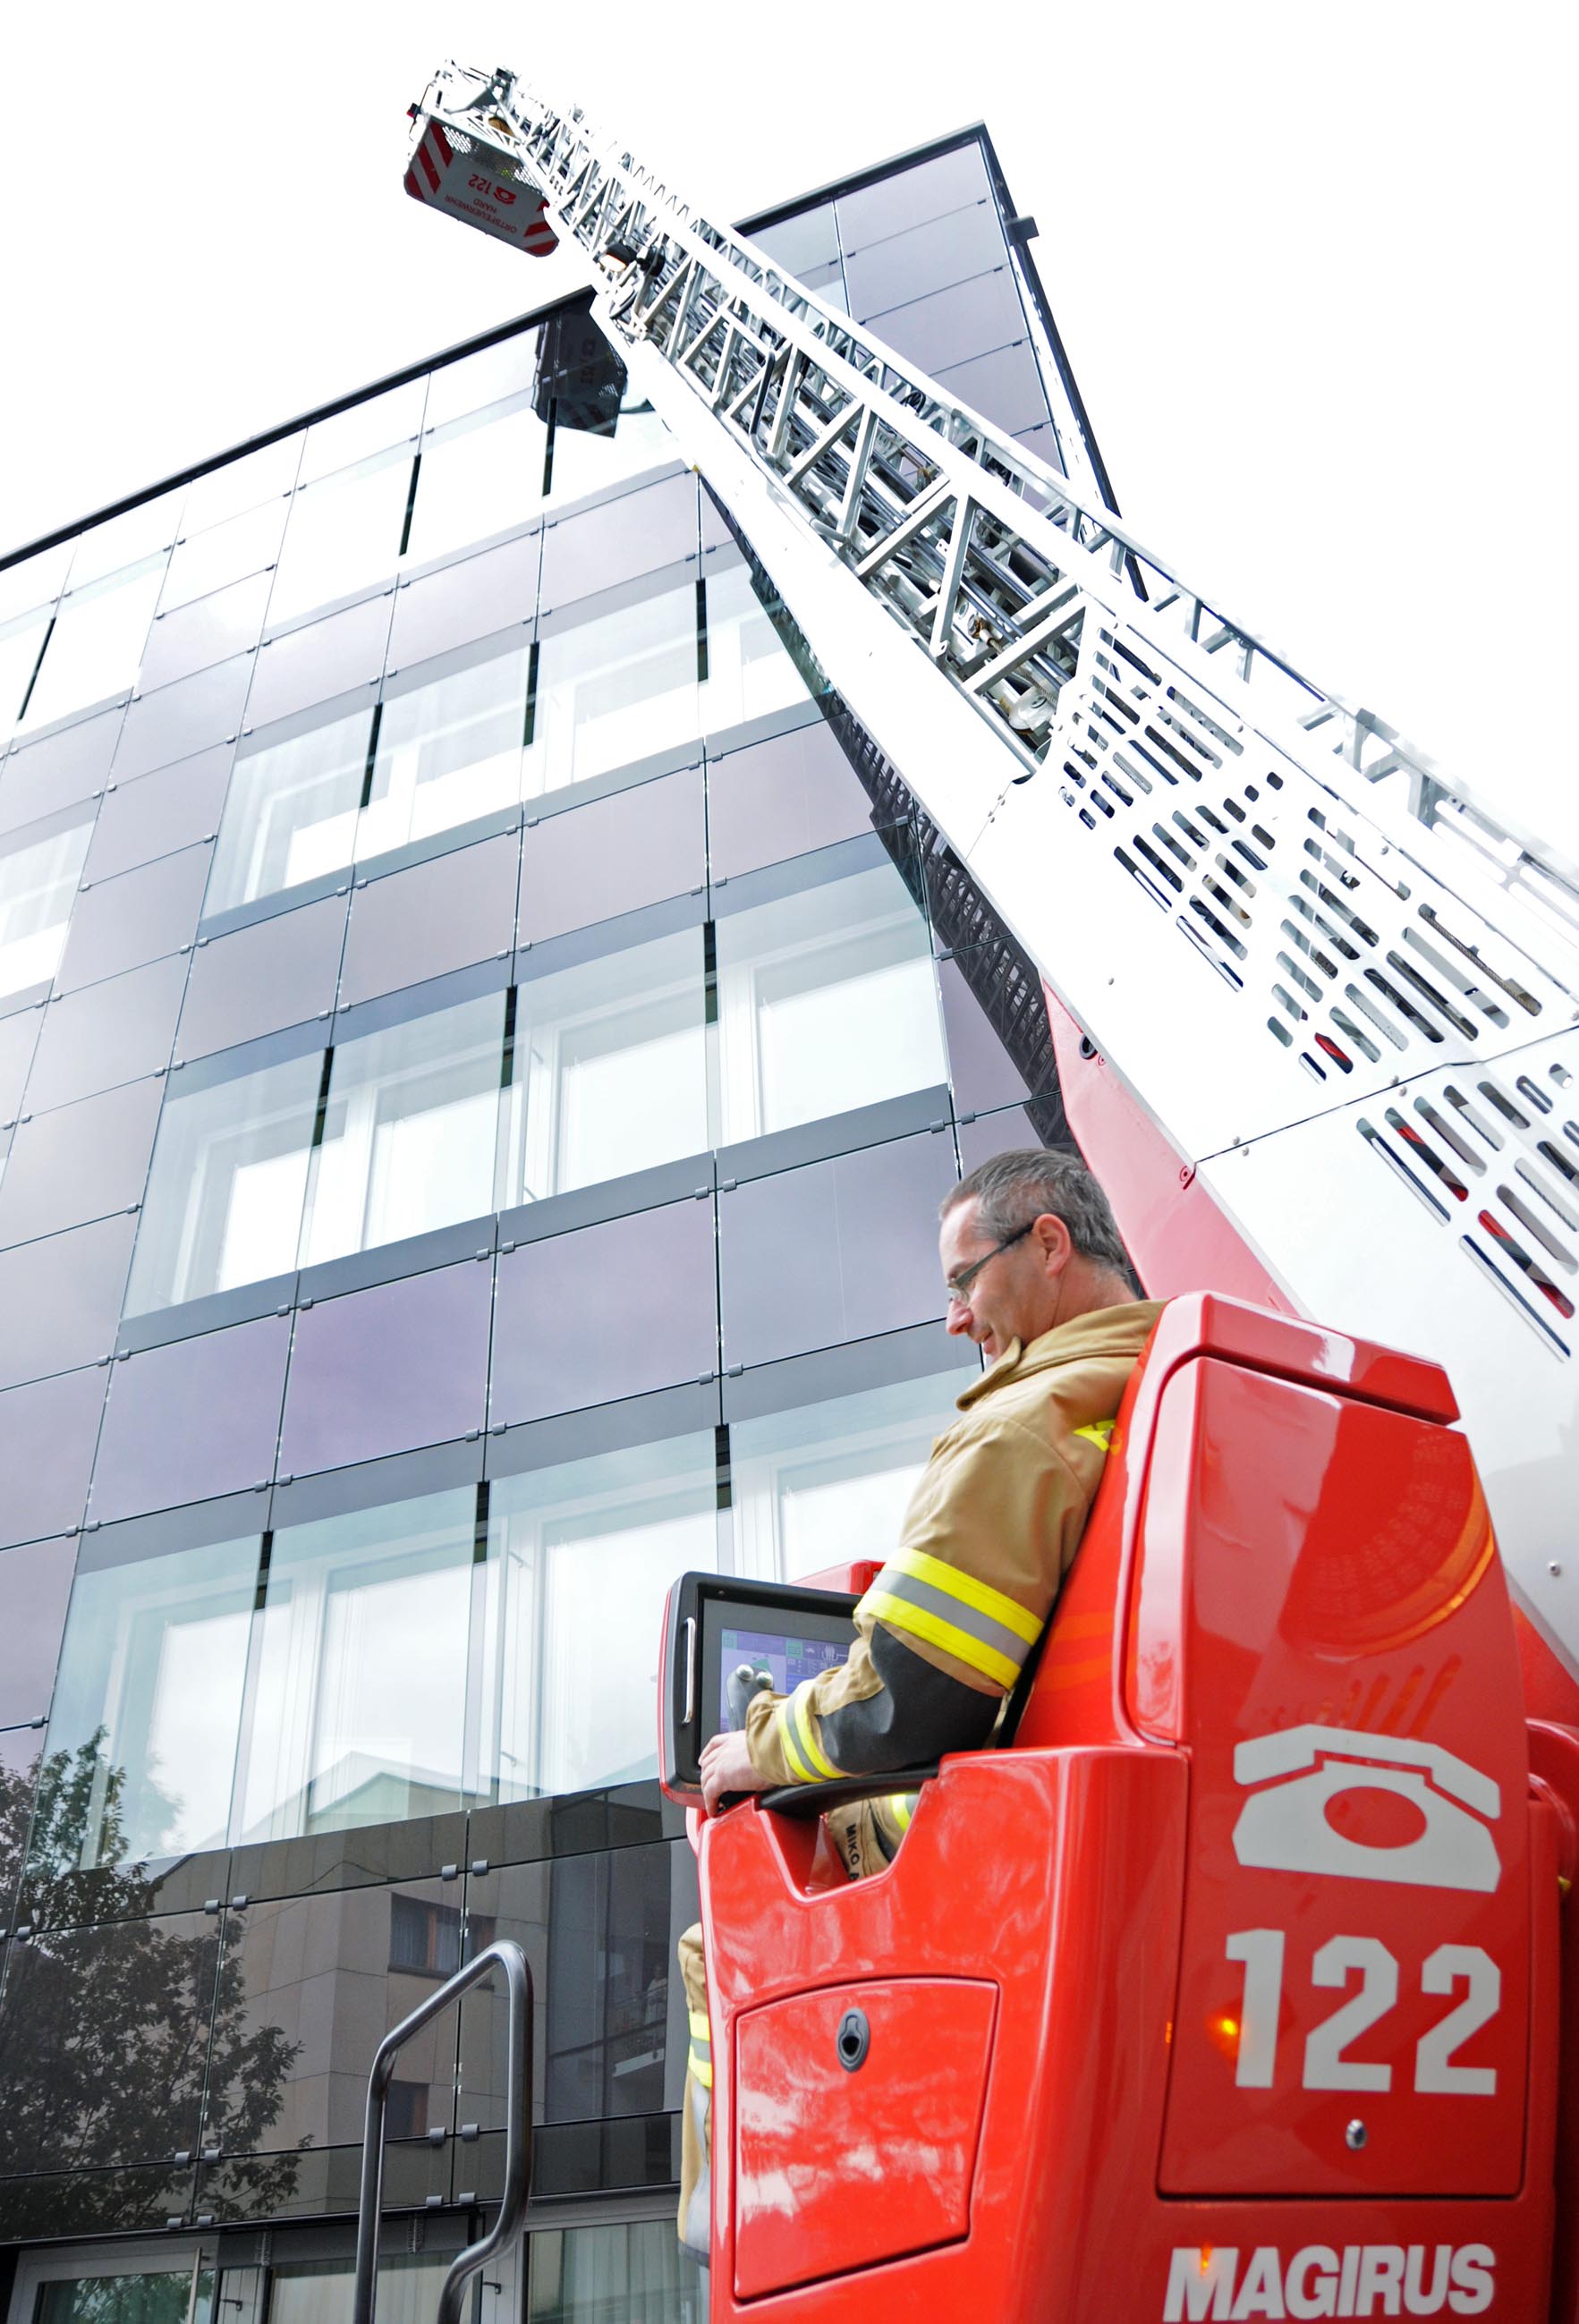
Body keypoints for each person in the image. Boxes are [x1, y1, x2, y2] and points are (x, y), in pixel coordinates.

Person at [676, 1148, 1164, 2256]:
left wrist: (757, 1747)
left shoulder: (1017, 1427)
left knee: (721, 1923)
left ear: (1048, 1243)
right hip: (1115, 1824)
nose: (955, 1319)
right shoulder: (1163, 1379)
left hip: (1011, 1859)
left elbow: (903, 1706)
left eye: (962, 1282)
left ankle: (738, 2218)